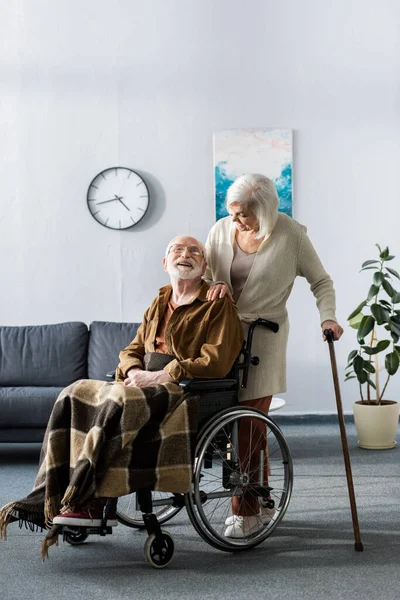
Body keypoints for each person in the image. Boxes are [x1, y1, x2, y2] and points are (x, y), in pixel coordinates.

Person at [0, 235, 243, 556]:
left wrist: (161, 374)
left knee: (117, 402)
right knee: (75, 393)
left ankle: (94, 499)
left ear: (205, 265)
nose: (185, 255)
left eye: (194, 251)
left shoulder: (216, 303)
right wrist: (131, 372)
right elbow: (132, 349)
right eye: (177, 250)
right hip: (140, 382)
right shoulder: (160, 302)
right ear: (165, 262)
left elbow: (216, 361)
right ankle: (60, 494)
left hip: (183, 389)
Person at [204, 173, 344, 538]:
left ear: (264, 211)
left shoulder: (292, 235)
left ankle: (246, 510)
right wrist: (212, 284)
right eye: (232, 213)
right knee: (227, 422)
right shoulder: (220, 230)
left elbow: (321, 282)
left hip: (263, 338)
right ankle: (263, 499)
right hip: (220, 337)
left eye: (243, 215)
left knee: (249, 423)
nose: (235, 221)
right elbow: (203, 276)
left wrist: (328, 317)